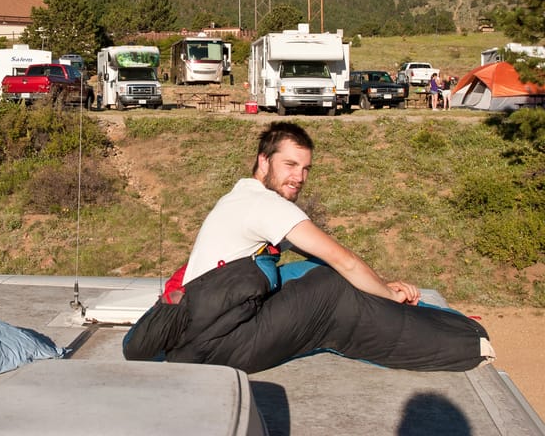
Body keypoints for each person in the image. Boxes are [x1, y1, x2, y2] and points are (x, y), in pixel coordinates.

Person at [123, 121, 494, 373]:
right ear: (263, 161)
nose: (298, 177)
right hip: (216, 349)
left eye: (305, 168)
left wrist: (380, 283)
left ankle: (432, 324)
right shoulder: (265, 205)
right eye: (290, 165)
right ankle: (466, 344)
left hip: (199, 338)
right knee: (330, 291)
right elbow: (342, 260)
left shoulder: (240, 195)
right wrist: (389, 293)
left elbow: (319, 256)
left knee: (311, 273)